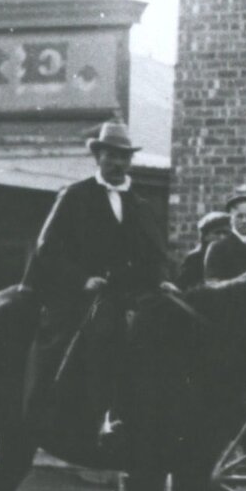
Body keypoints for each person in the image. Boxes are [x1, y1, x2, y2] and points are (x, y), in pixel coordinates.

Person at [21, 119, 171, 449]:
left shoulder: (139, 203)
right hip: (84, 292)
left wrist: (162, 280)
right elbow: (47, 247)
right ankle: (101, 415)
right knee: (106, 330)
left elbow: (154, 251)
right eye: (111, 156)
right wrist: (81, 279)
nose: (118, 164)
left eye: (124, 157)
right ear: (98, 158)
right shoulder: (76, 196)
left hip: (129, 291)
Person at [203, 188, 246, 282]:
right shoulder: (218, 248)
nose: (244, 221)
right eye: (239, 216)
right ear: (231, 219)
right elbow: (212, 284)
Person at [177, 211, 230, 291]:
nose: (222, 237)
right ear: (205, 236)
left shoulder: (233, 255)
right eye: (217, 233)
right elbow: (184, 287)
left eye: (226, 233)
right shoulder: (195, 258)